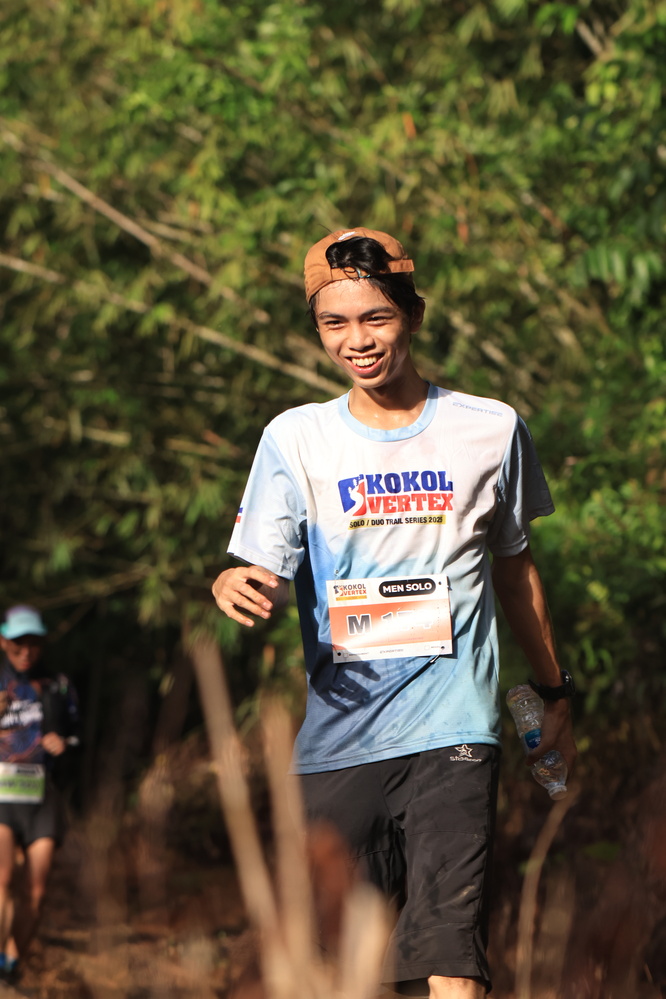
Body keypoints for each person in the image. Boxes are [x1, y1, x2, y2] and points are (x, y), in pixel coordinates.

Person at [212, 227, 577, 998]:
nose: (357, 340)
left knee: (450, 961)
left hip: (455, 732)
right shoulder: (296, 438)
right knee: (336, 970)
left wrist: (554, 692)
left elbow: (516, 572)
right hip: (336, 743)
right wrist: (237, 583)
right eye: (335, 323)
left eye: (375, 316)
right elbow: (263, 569)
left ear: (413, 314)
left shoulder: (491, 428)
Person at [0, 605, 80, 982]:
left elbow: (78, 736)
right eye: (18, 643)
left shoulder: (57, 685)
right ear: (4, 641)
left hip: (42, 796)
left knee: (37, 889)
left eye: (33, 642)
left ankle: (11, 962)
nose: (26, 651)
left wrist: (64, 743)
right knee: (2, 878)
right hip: (2, 797)